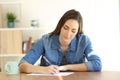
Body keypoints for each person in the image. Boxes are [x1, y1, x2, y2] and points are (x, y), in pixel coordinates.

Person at [19, 9, 102, 74]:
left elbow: (97, 64)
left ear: (77, 32)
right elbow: (22, 65)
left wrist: (66, 67)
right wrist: (44, 70)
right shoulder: (45, 40)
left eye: (73, 31)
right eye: (66, 28)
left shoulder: (84, 41)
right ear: (60, 26)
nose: (68, 34)